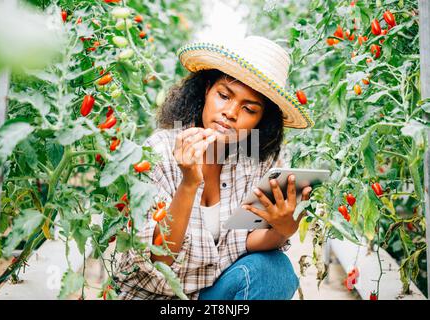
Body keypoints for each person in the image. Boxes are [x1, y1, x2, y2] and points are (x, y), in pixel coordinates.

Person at [116, 36, 315, 300]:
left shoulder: (255, 162)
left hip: (211, 296)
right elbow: (159, 257)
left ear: (260, 120)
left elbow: (246, 243)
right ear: (207, 90)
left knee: (275, 270)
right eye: (224, 95)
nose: (231, 112)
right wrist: (188, 184)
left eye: (249, 109)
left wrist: (283, 227)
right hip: (158, 297)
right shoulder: (159, 152)